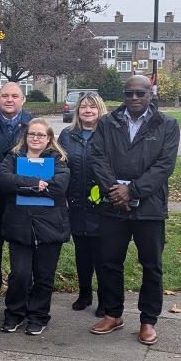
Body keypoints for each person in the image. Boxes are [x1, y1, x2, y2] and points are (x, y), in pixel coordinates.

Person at [89, 75, 179, 345]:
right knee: (108, 261)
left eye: (140, 93)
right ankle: (113, 314)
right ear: (123, 95)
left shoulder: (167, 124)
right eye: (129, 94)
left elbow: (164, 166)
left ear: (151, 94)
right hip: (113, 204)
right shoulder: (107, 122)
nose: (134, 99)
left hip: (149, 207)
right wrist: (114, 189)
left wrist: (134, 190)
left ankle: (148, 320)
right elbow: (97, 156)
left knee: (151, 265)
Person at [0, 118, 70, 335]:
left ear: (49, 139)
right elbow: (4, 179)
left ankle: (38, 316)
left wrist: (21, 186)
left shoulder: (58, 160)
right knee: (19, 274)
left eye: (41, 135)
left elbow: (59, 187)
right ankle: (14, 314)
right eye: (31, 134)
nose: (35, 138)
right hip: (19, 224)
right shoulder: (13, 157)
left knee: (43, 275)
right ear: (25, 137)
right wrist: (34, 184)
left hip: (50, 226)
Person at [0, 82, 33, 314]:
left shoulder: (33, 125)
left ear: (23, 99)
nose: (9, 100)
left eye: (15, 96)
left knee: (22, 251)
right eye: (5, 96)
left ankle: (21, 298)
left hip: (23, 197)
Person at [58, 92, 109, 317]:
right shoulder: (68, 136)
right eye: (83, 107)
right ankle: (84, 293)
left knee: (103, 255)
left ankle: (105, 299)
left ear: (100, 110)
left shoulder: (109, 135)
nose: (88, 111)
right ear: (77, 111)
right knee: (82, 253)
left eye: (92, 107)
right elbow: (60, 164)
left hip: (103, 205)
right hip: (76, 203)